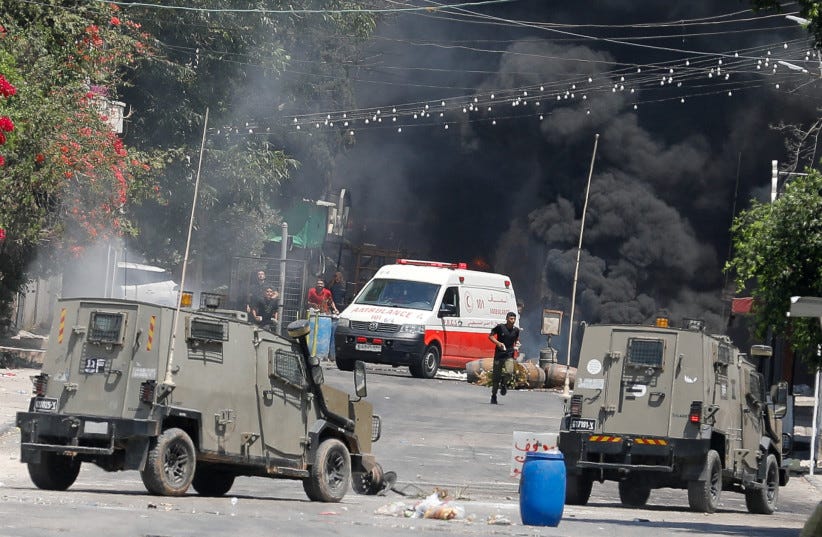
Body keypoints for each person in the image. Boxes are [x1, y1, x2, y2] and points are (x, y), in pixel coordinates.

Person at [487, 311, 520, 405]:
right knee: (496, 377)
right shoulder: (500, 327)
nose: (512, 321)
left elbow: (516, 340)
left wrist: (517, 345)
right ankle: (494, 396)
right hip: (499, 355)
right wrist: (498, 343)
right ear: (507, 319)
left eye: (514, 319)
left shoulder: (516, 330)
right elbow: (490, 336)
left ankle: (504, 383)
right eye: (511, 318)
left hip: (509, 354)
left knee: (509, 372)